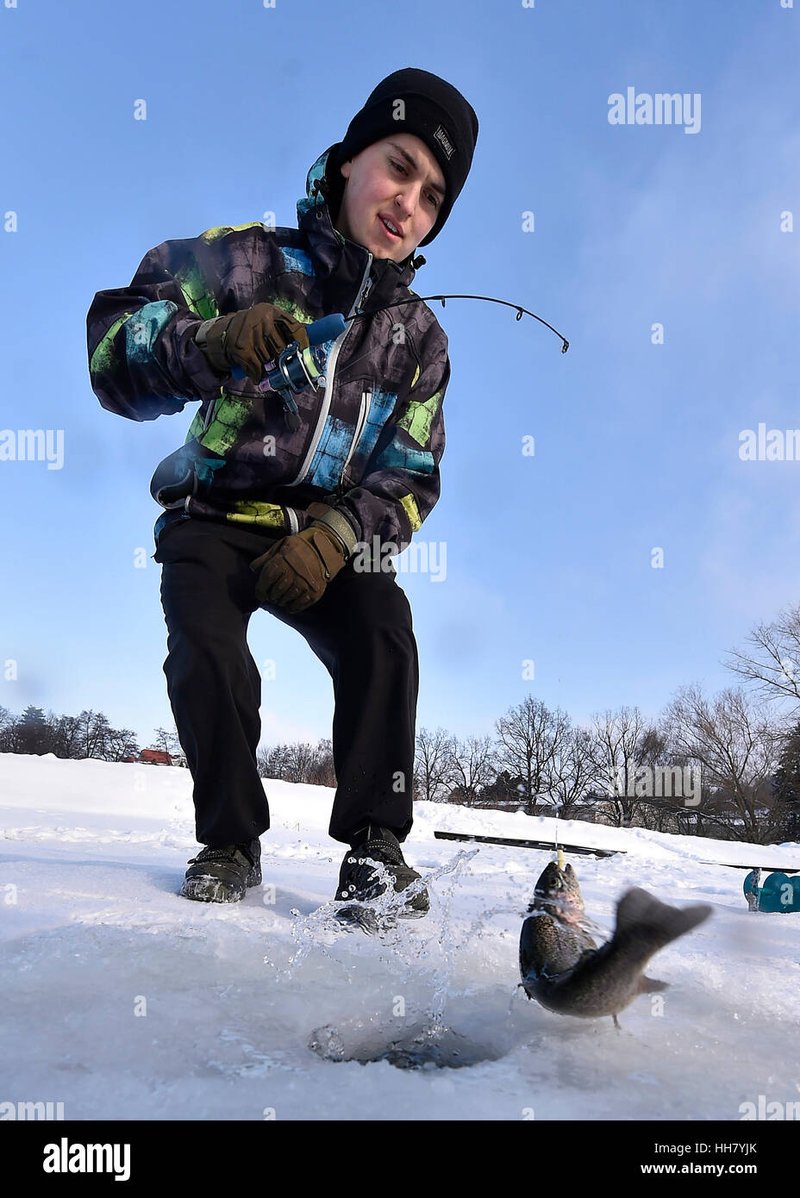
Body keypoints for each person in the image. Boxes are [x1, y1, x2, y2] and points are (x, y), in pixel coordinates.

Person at [86, 67, 479, 914]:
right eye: (399, 166)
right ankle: (230, 841)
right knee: (206, 641)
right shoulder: (243, 258)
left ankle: (374, 848)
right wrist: (211, 340)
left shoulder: (420, 339)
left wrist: (339, 537)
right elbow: (113, 355)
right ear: (348, 161)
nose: (409, 202)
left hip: (322, 534)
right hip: (216, 513)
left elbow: (411, 475)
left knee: (383, 627)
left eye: (435, 196)